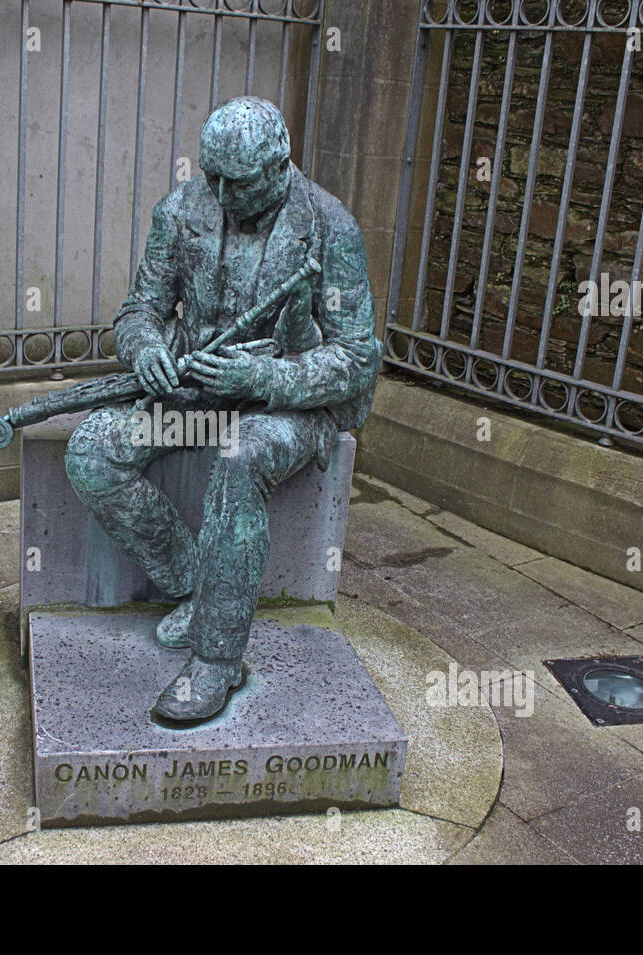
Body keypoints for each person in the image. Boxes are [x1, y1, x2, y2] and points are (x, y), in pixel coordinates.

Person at [65, 96, 380, 723]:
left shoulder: (329, 225)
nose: (217, 190)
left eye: (234, 181)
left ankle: (217, 660)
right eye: (211, 175)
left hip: (289, 401)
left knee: (240, 455)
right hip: (195, 392)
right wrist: (146, 347)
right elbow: (139, 310)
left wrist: (266, 376)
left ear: (278, 165)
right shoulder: (183, 209)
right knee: (93, 452)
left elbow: (358, 356)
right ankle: (198, 582)